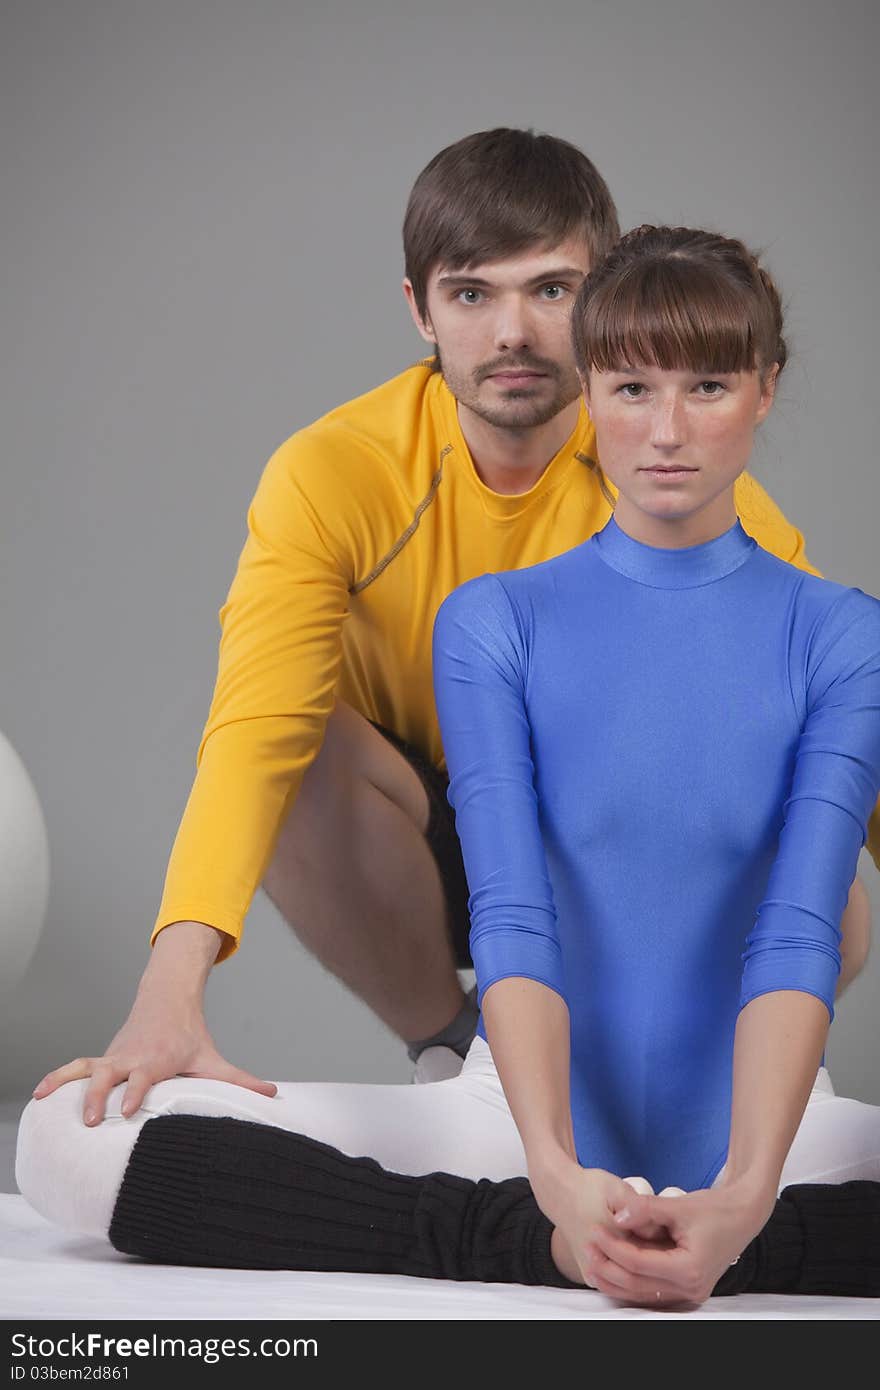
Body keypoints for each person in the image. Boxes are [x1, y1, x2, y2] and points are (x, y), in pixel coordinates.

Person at [16, 225, 880, 1309]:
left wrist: (748, 1189)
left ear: (764, 389)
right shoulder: (495, 624)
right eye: (628, 387)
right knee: (63, 1141)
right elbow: (513, 916)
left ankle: (718, 1238)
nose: (665, 430)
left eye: (707, 385)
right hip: (514, 1125)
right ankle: (550, 1242)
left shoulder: (844, 635)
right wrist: (560, 1182)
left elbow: (799, 926)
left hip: (778, 1130)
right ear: (587, 392)